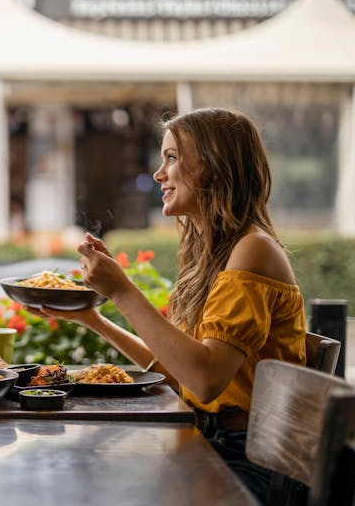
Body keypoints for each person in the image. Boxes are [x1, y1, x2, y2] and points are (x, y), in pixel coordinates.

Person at [31, 107, 306, 501]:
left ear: (213, 168)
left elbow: (206, 381)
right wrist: (94, 318)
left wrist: (123, 291)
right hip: (212, 443)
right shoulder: (211, 254)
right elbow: (180, 371)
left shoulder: (254, 250)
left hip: (249, 461)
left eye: (172, 157)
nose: (159, 173)